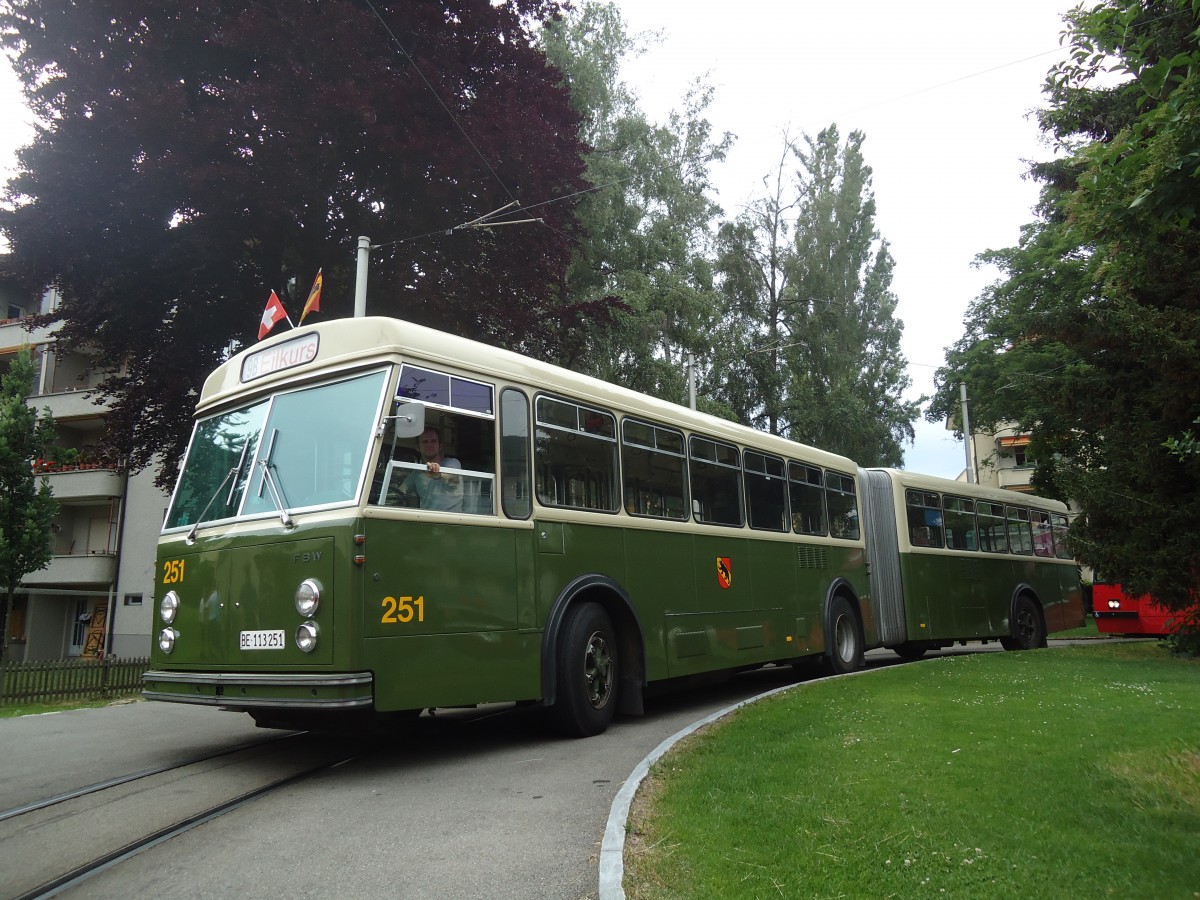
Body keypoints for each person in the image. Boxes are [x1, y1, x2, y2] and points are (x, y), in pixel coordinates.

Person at [397, 426, 463, 511]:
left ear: (440, 446)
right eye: (425, 442)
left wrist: (438, 475)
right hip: (426, 518)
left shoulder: (452, 463)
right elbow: (400, 492)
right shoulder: (417, 473)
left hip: (451, 520)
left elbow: (453, 478)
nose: (429, 444)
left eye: (433, 441)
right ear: (417, 447)